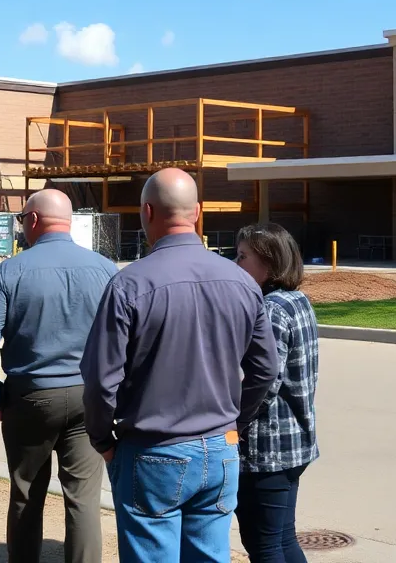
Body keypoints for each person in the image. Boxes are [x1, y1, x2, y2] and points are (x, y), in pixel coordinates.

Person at [81, 168, 278, 563]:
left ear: (147, 212)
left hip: (153, 449)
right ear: (198, 213)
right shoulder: (242, 282)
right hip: (220, 448)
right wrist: (234, 422)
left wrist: (102, 440)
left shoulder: (128, 284)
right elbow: (266, 369)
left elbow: (101, 380)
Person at [0, 189, 117, 563]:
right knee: (83, 501)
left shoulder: (10, 270)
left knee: (26, 495)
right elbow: (122, 339)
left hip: (30, 395)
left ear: (32, 220)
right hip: (88, 396)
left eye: (22, 220)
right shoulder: (103, 267)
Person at [233, 223, 319, 563]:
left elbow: (264, 379)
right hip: (292, 444)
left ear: (269, 264)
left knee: (264, 544)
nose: (235, 264)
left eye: (242, 257)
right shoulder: (298, 301)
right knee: (281, 538)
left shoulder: (272, 309)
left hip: (267, 449)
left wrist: (233, 422)